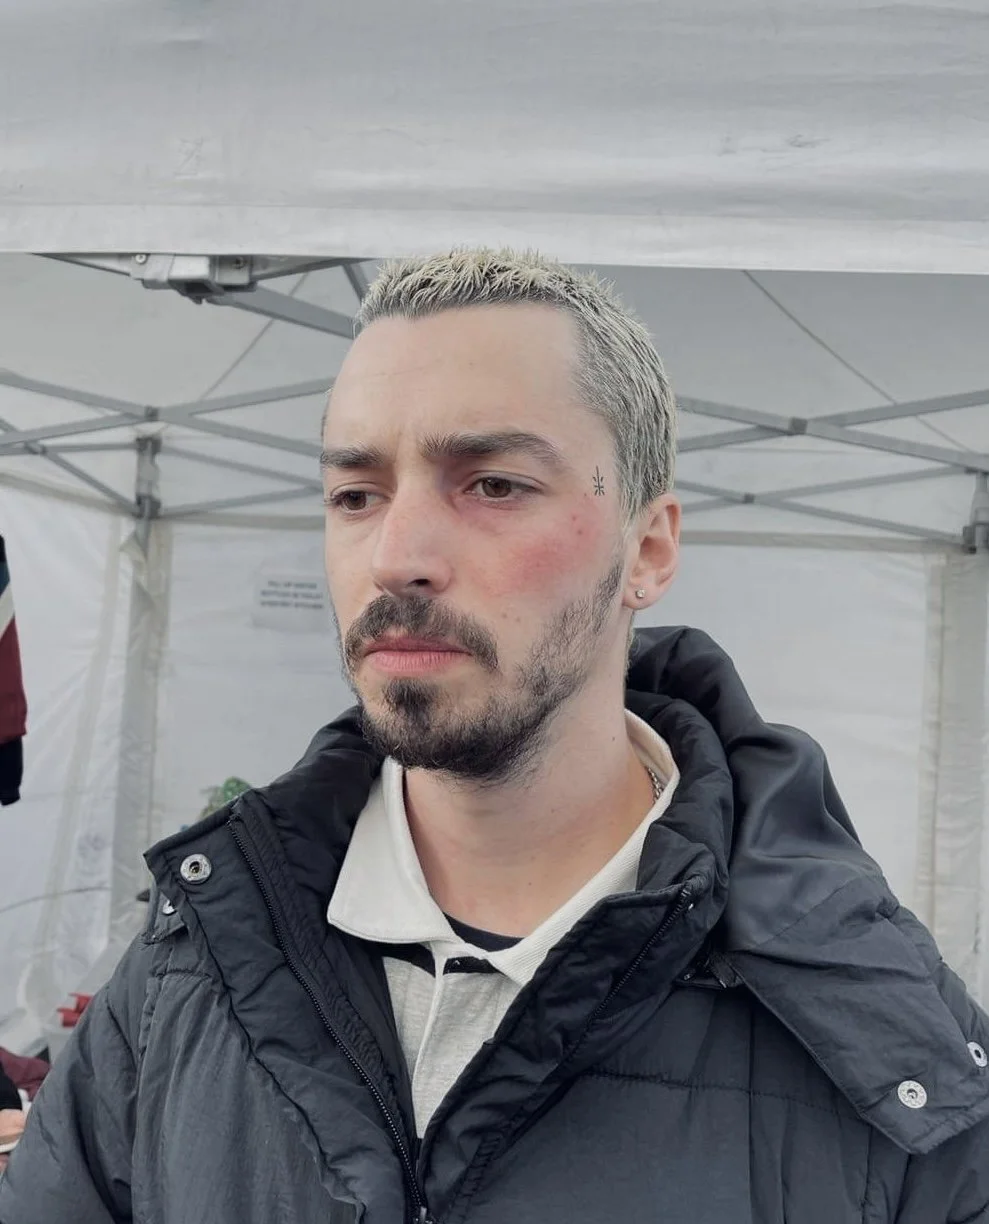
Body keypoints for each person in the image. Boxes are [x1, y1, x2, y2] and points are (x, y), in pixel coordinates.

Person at [2, 249, 988, 1223]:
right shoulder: (187, 973)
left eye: (493, 485)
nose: (396, 557)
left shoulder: (893, 1057)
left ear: (646, 550)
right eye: (355, 495)